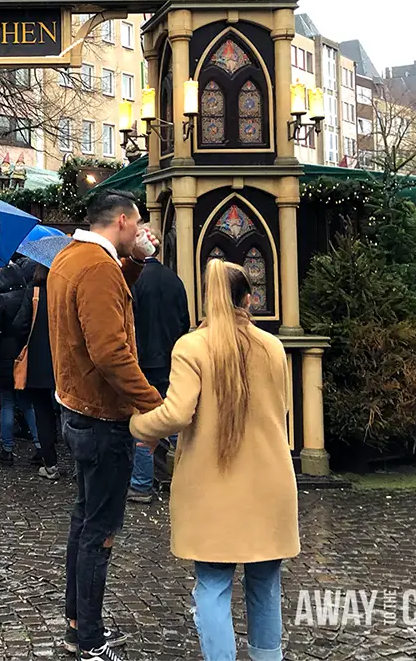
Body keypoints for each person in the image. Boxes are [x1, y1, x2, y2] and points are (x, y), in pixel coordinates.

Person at [130, 260, 299, 661]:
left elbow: (175, 414)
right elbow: (284, 409)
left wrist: (139, 425)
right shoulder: (272, 346)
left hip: (212, 484)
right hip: (270, 482)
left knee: (212, 585)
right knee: (265, 584)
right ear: (249, 299)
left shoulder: (192, 346)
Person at [48, 190, 163, 660]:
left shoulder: (72, 258)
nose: (140, 232)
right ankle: (89, 639)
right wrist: (154, 407)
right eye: (136, 225)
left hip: (77, 409)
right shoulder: (96, 268)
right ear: (121, 221)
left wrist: (133, 262)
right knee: (100, 530)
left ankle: (77, 620)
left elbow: (103, 310)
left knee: (85, 520)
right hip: (101, 417)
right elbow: (110, 350)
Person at [128, 225, 191, 503]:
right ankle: (186, 475)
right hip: (171, 358)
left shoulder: (135, 279)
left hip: (143, 360)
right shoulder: (174, 280)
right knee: (176, 416)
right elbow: (184, 321)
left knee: (145, 419)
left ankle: (141, 484)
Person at [0, 259, 40, 467]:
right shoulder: (28, 295)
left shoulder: (1, 300)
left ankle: (7, 449)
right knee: (28, 403)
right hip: (25, 355)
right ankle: (40, 445)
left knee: (7, 403)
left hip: (5, 355)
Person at [20, 263, 60, 480]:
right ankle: (76, 463)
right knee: (68, 412)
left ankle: (51, 463)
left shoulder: (34, 292)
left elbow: (21, 324)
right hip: (62, 361)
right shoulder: (64, 290)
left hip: (37, 362)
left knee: (43, 413)